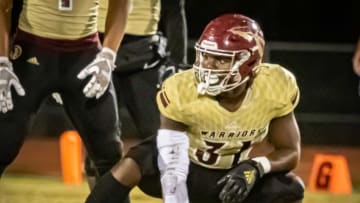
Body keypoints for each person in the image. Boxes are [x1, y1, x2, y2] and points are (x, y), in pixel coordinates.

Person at [85, 13, 305, 203]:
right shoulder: (183, 88)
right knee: (132, 164)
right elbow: (171, 157)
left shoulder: (273, 87)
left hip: (231, 174)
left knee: (290, 189)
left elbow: (290, 151)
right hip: (187, 166)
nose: (207, 66)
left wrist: (255, 167)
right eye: (205, 56)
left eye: (220, 60)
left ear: (249, 63)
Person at [0, 0, 129, 182]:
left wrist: (109, 54)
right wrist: (2, 61)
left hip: (85, 55)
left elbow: (121, 4)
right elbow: (3, 6)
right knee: (4, 143)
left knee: (109, 154)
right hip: (31, 52)